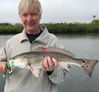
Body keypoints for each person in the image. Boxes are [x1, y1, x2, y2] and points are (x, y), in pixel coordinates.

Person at [0, 0, 70, 92]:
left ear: (40, 16)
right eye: (25, 15)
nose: (29, 19)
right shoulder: (10, 43)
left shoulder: (53, 41)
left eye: (33, 14)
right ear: (20, 16)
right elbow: (2, 67)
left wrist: (52, 71)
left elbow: (60, 78)